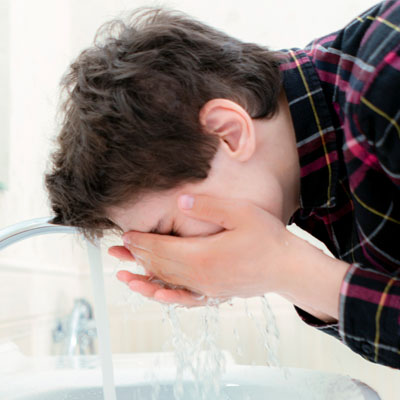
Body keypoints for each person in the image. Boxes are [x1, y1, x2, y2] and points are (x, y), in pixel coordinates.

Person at [45, 1, 400, 369]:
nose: (173, 262)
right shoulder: (307, 186)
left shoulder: (387, 76)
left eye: (170, 231)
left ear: (228, 133)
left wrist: (284, 268)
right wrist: (273, 271)